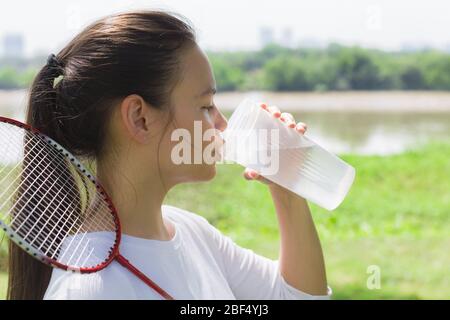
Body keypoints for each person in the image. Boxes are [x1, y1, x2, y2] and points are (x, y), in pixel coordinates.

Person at [7, 10, 331, 300]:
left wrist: (286, 187)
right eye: (205, 106)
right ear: (140, 118)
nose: (221, 123)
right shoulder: (87, 288)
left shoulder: (190, 232)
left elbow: (296, 296)